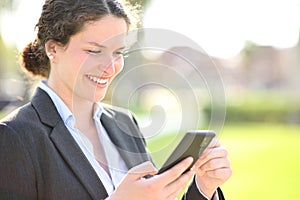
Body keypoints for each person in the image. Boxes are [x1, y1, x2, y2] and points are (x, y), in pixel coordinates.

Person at [0, 0, 232, 199]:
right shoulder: (14, 136)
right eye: (94, 51)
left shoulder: (124, 122)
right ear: (53, 49)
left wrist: (203, 188)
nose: (110, 67)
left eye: (118, 52)